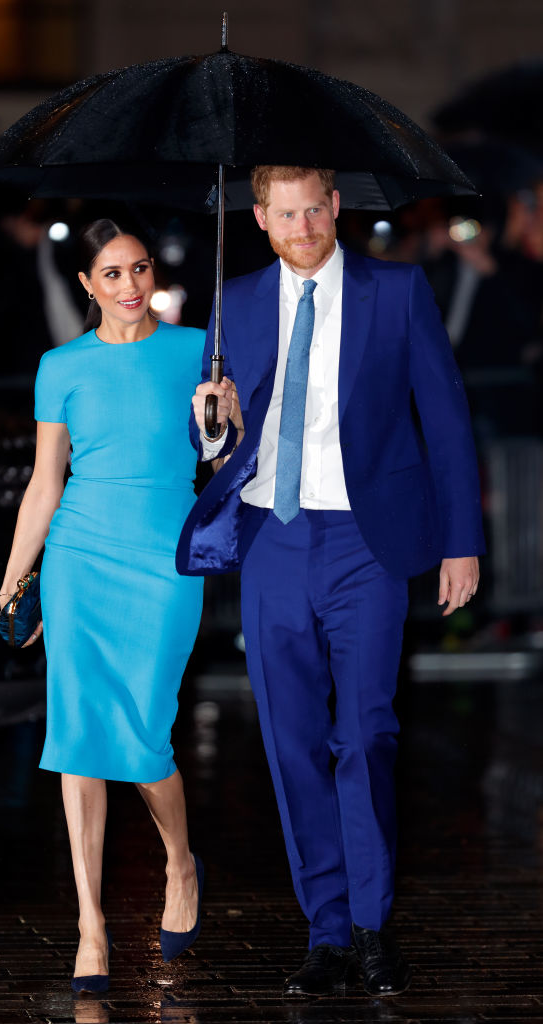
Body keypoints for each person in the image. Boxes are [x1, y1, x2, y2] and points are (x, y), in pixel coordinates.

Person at [177, 167, 484, 999]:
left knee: (367, 734)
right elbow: (214, 440)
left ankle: (374, 925)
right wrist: (209, 425)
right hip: (274, 540)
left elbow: (446, 418)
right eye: (286, 213)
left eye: (316, 208)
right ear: (260, 217)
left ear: (336, 206)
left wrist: (461, 543)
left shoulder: (395, 289)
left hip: (365, 543)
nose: (304, 224)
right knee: (290, 746)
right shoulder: (234, 300)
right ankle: (326, 930)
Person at [0, 219, 205, 992]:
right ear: (86, 285)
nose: (129, 287)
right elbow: (46, 482)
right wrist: (16, 579)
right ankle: (90, 926)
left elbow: (232, 448)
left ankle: (179, 863)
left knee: (147, 734)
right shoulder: (61, 366)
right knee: (79, 734)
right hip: (79, 558)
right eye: (111, 275)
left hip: (164, 559)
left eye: (139, 269)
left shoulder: (198, 350)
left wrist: (219, 420)